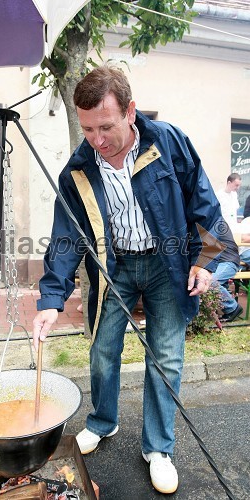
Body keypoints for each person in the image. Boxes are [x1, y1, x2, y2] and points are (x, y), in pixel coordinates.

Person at [32, 66, 222, 495]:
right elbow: (66, 239)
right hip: (113, 266)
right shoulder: (78, 170)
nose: (97, 139)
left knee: (166, 355)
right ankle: (103, 421)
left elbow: (204, 204)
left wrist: (206, 261)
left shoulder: (169, 143)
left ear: (130, 111)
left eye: (106, 126)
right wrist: (50, 300)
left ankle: (159, 448)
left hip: (166, 265)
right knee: (102, 349)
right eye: (87, 129)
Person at [212, 225, 243, 322]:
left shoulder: (214, 221)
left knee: (210, 282)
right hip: (217, 264)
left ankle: (233, 308)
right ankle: (229, 310)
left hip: (228, 262)